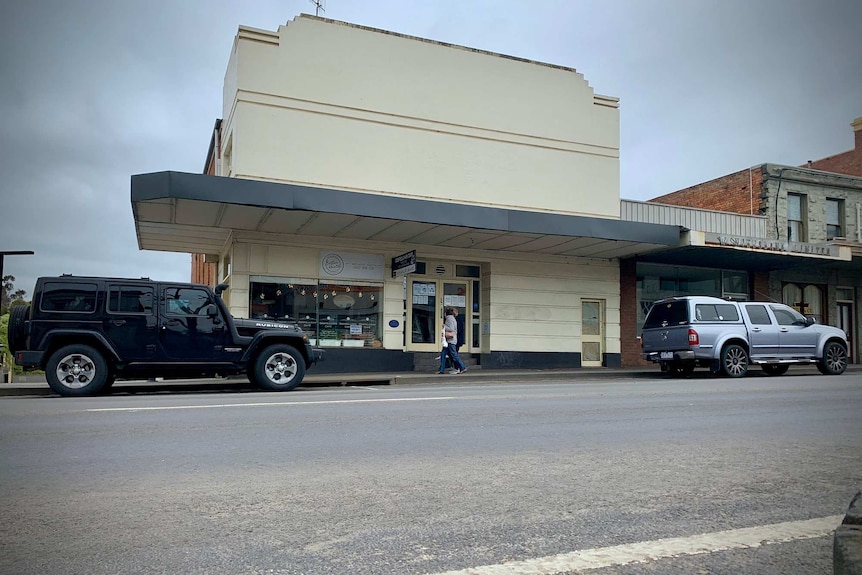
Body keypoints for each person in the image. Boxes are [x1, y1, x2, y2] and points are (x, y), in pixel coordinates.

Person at [438, 307, 467, 374]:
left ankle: (462, 367)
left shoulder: (449, 319)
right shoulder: (453, 318)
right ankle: (441, 369)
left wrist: (444, 326)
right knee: (444, 354)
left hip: (450, 340)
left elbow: (451, 328)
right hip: (450, 340)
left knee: (453, 354)